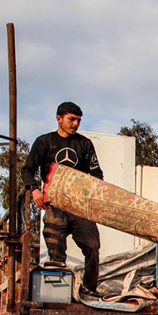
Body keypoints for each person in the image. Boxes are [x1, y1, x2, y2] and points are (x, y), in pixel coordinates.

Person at [21, 101, 104, 294]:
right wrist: (34, 191)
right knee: (56, 254)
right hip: (54, 206)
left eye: (78, 120)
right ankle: (58, 295)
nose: (75, 124)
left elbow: (97, 174)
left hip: (79, 207)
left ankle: (91, 290)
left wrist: (94, 195)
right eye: (71, 119)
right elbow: (27, 170)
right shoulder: (44, 142)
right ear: (59, 118)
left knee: (92, 246)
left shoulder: (85, 144)